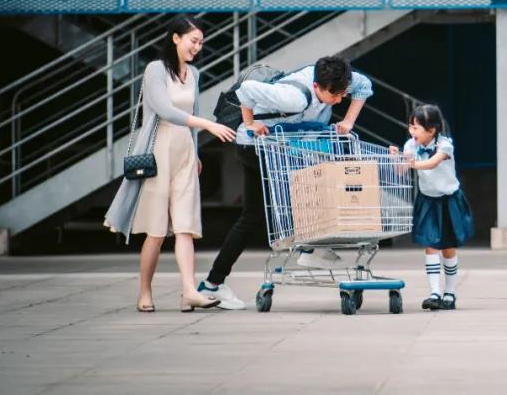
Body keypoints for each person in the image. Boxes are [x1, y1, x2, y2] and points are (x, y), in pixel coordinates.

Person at [198, 53, 373, 309]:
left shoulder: (339, 77)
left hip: (280, 147)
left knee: (252, 216)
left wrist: (348, 121)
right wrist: (250, 122)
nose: (338, 100)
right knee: (307, 184)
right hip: (257, 147)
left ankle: (212, 284)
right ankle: (310, 249)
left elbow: (364, 86)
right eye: (334, 96)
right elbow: (246, 90)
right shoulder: (294, 97)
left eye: (342, 95)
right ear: (316, 86)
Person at [104, 16, 238, 312]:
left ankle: (189, 291)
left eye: (201, 42)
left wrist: (195, 152)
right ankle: (144, 291)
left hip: (184, 153)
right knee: (156, 231)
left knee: (185, 226)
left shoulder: (194, 73)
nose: (197, 47)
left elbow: (192, 111)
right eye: (193, 41)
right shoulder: (155, 69)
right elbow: (164, 110)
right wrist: (207, 124)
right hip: (158, 152)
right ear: (176, 38)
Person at [390, 104, 474, 311]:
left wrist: (411, 163)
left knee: (448, 248)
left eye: (416, 127)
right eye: (410, 126)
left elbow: (432, 163)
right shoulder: (410, 145)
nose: (411, 131)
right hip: (427, 199)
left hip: (448, 199)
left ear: (432, 129)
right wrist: (396, 158)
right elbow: (401, 171)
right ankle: (435, 293)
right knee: (430, 245)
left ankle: (450, 293)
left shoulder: (445, 145)